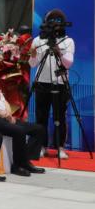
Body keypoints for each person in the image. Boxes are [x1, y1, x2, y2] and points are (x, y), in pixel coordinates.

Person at [29, 23, 75, 159]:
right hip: (42, 83)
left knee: (60, 116)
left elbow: (68, 64)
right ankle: (41, 147)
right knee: (41, 116)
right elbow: (33, 64)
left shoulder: (68, 41)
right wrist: (32, 55)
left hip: (60, 83)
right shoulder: (38, 40)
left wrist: (59, 52)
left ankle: (60, 147)